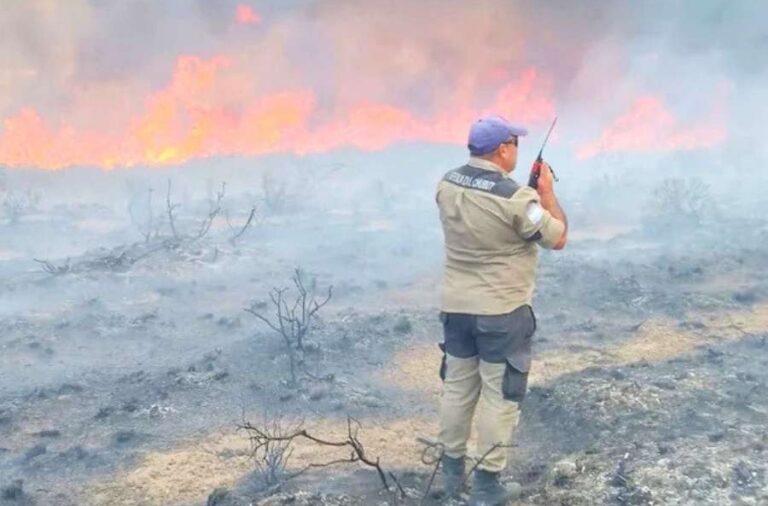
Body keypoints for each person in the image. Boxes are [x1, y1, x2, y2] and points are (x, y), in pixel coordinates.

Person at [435, 115, 568, 505]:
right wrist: (545, 194)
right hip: (501, 311)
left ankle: (452, 476)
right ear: (503, 149)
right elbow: (556, 238)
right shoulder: (517, 197)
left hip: (456, 308)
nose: (517, 151)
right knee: (500, 395)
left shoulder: (446, 183)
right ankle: (487, 485)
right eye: (515, 144)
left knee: (457, 389)